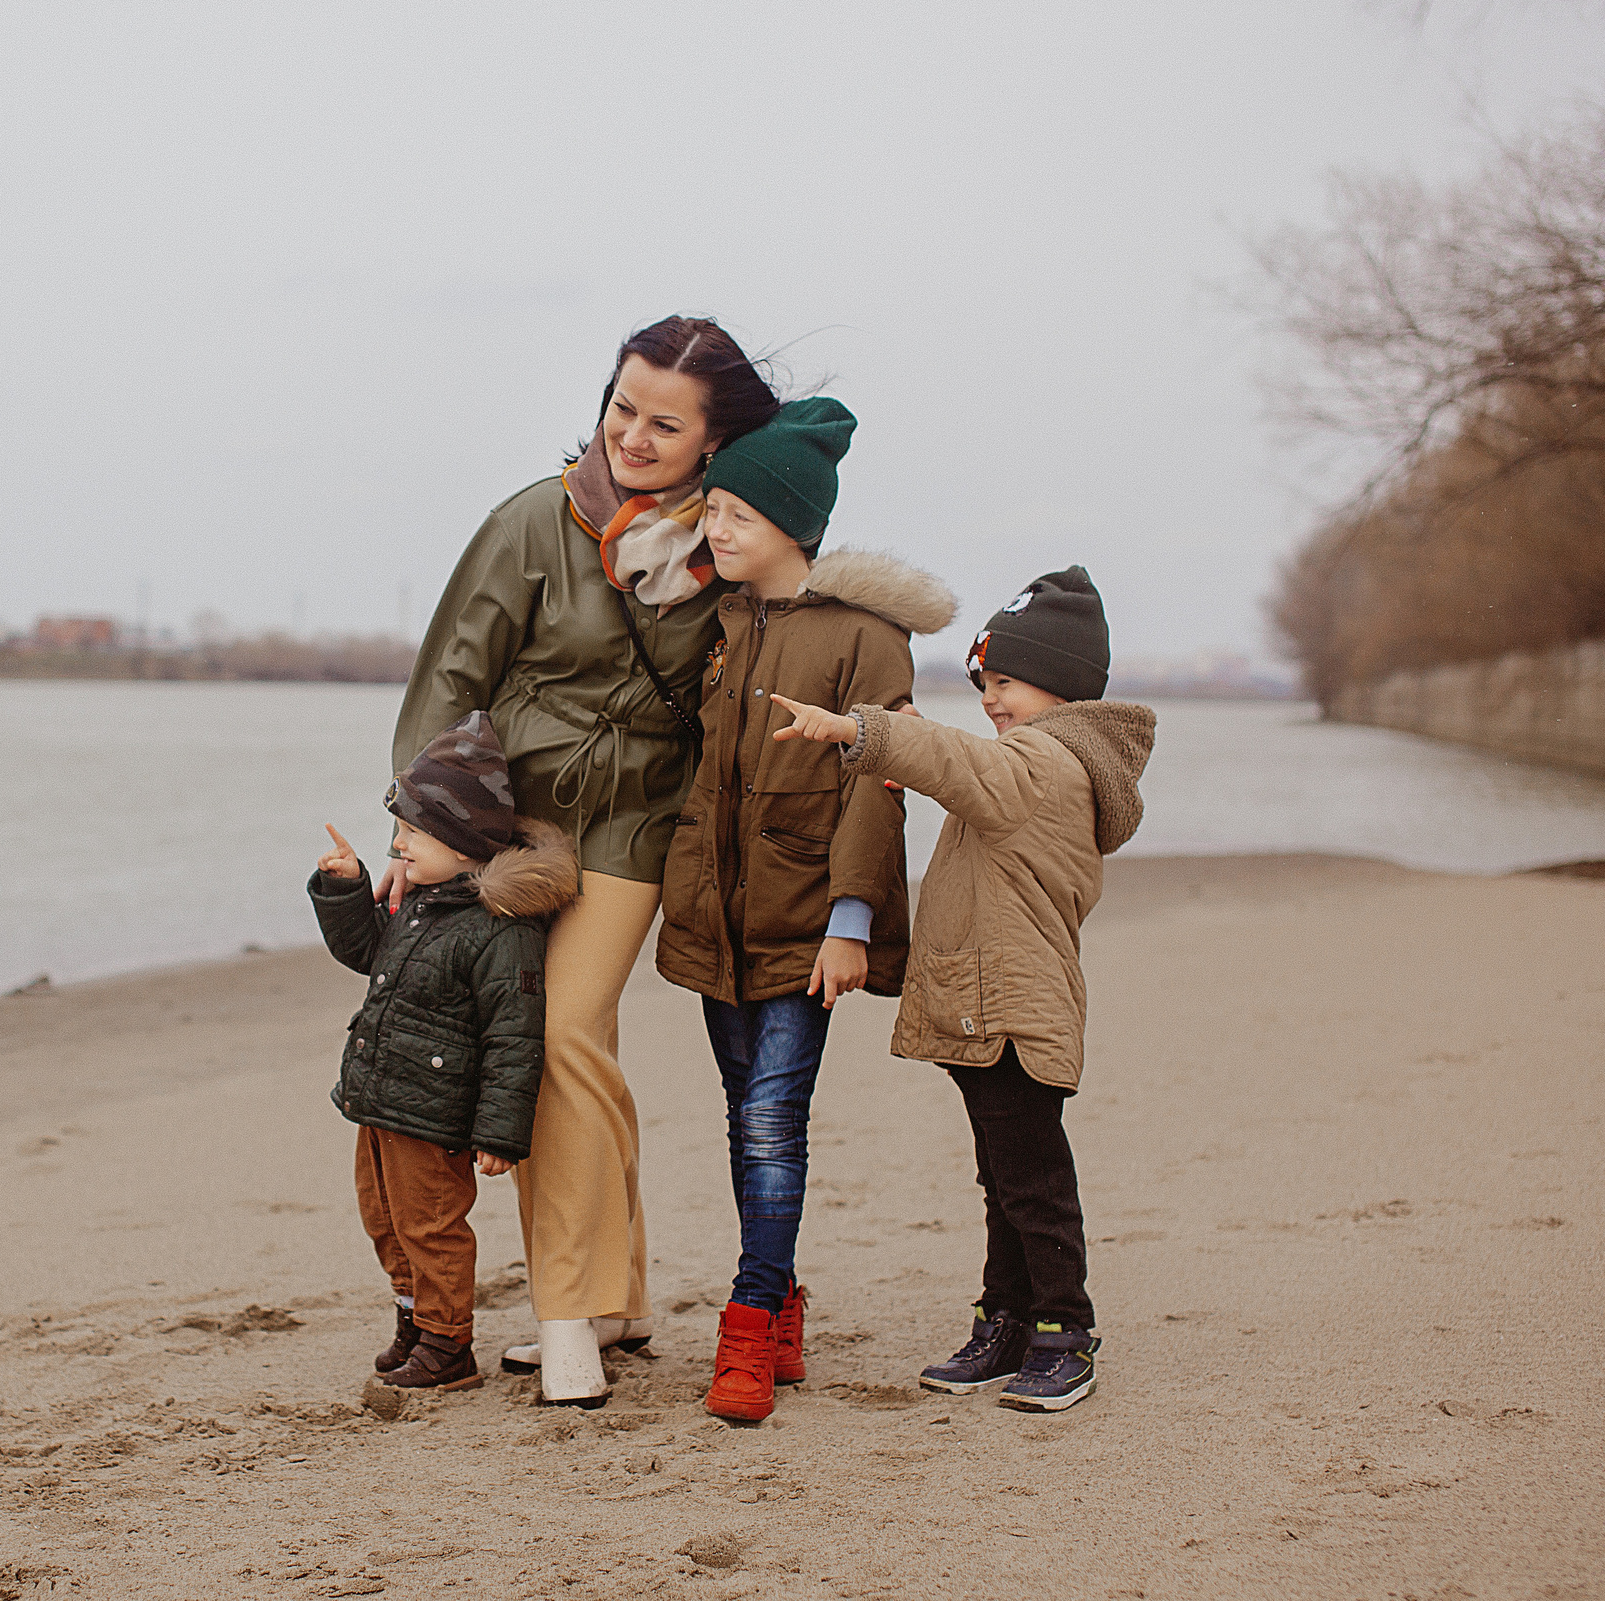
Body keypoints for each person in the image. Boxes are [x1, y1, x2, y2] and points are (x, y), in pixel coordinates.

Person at [390, 315, 782, 1406]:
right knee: (582, 1044)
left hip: (641, 826)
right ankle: (621, 1297)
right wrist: (415, 832)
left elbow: (791, 641)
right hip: (516, 826)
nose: (635, 437)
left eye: (666, 423)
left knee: (559, 1032)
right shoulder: (530, 522)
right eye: (623, 409)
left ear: (713, 440)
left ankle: (565, 1315)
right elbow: (447, 683)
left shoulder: (726, 541)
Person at [768, 566, 1155, 1413]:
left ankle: (1066, 1329)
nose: (991, 700)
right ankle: (1007, 1316)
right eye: (984, 684)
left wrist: (862, 729)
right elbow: (966, 766)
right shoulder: (1030, 763)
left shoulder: (1048, 761)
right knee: (1005, 1176)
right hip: (997, 1004)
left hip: (1015, 1007)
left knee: (1033, 1181)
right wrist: (923, 749)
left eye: (1006, 683)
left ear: (1060, 684)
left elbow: (963, 762)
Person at [652, 397, 955, 1421]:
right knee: (744, 1123)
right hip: (713, 919)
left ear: (795, 524)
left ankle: (742, 1331)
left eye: (738, 512)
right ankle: (780, 1303)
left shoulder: (868, 639)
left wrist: (851, 924)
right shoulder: (718, 619)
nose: (717, 529)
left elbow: (880, 785)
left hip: (808, 924)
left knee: (776, 1122)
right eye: (713, 510)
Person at [310, 711, 580, 1390]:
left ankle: (448, 1343)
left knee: (430, 1227)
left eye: (410, 834)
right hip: (381, 1096)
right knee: (384, 1219)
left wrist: (498, 1132)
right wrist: (347, 884)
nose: (398, 846)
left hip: (434, 1114)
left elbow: (513, 1038)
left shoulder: (500, 929)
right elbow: (368, 951)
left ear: (463, 841)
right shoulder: (423, 901)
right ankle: (413, 1319)